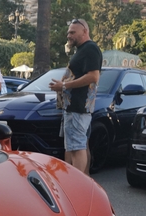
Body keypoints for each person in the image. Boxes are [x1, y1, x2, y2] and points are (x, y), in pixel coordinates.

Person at [49, 18, 102, 175]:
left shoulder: (90, 49)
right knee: (79, 145)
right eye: (68, 32)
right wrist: (62, 84)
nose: (69, 35)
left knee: (76, 147)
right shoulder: (83, 50)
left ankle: (76, 184)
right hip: (75, 107)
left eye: (72, 32)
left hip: (78, 107)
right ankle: (83, 182)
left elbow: (93, 76)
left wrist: (64, 86)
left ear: (85, 31)